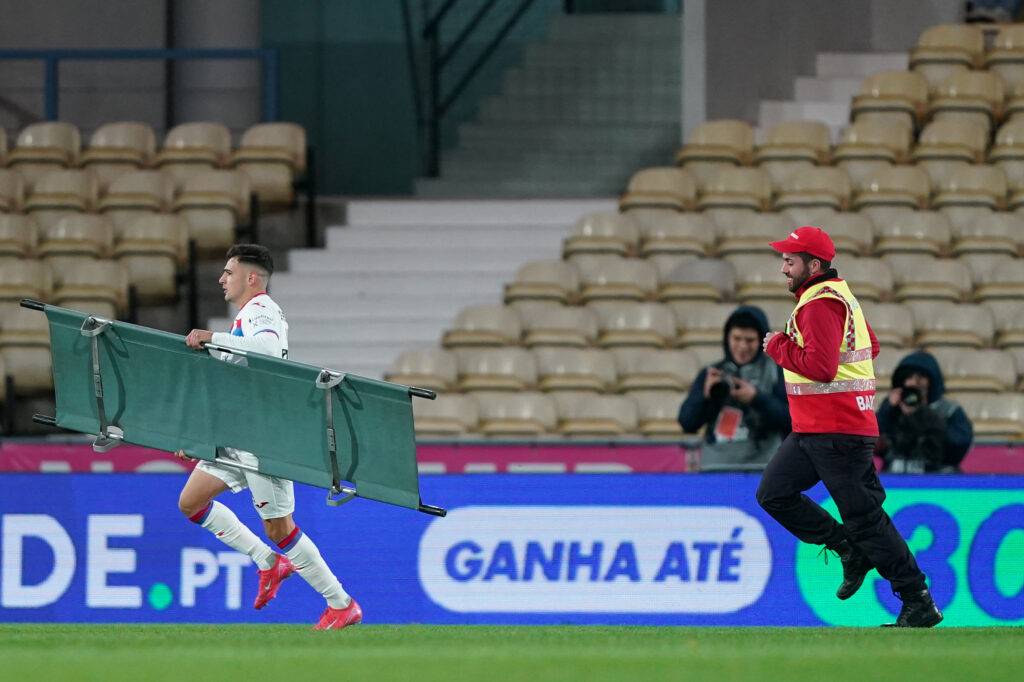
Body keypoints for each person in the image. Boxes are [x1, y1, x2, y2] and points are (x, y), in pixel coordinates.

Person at [755, 226, 943, 628]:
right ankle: (846, 547)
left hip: (836, 431)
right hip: (816, 428)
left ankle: (917, 599)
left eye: (790, 260)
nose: (783, 268)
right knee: (774, 493)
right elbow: (868, 347)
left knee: (866, 520)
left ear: (814, 264)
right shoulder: (839, 296)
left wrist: (778, 346)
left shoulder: (818, 304)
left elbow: (822, 368)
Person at [174, 244, 361, 631]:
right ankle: (266, 561)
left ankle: (341, 604)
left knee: (281, 528)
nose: (221, 279)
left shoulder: (262, 311)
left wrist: (212, 338)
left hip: (263, 438)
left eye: (228, 271)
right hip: (239, 432)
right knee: (191, 502)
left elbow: (268, 351)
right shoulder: (245, 318)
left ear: (251, 277)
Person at [677, 305, 790, 471]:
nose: (742, 346)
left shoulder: (777, 372)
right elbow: (687, 423)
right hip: (715, 468)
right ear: (727, 338)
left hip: (763, 469)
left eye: (750, 340)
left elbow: (793, 419)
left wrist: (756, 398)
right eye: (737, 339)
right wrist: (706, 397)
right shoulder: (712, 373)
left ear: (761, 341)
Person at [876, 351, 974, 473]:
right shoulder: (893, 407)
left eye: (921, 378)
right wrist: (887, 409)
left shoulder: (948, 410)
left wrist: (923, 413)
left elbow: (958, 446)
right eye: (909, 377)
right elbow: (869, 442)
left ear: (932, 382)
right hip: (897, 475)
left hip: (937, 476)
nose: (914, 383)